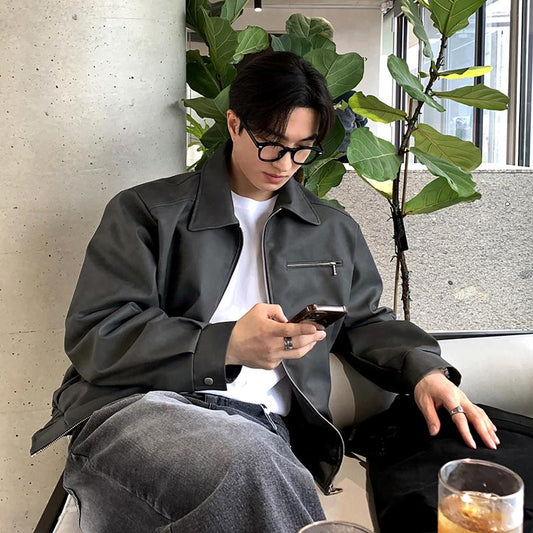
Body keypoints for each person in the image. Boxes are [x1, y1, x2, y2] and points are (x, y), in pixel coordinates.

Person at [31, 51, 499, 533]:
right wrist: (226, 345)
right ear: (234, 124)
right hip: (141, 410)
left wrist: (425, 372)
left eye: (302, 149)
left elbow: (364, 321)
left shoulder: (332, 231)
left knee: (255, 464)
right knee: (250, 465)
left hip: (262, 427)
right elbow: (98, 332)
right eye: (272, 145)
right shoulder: (148, 212)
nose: (286, 164)